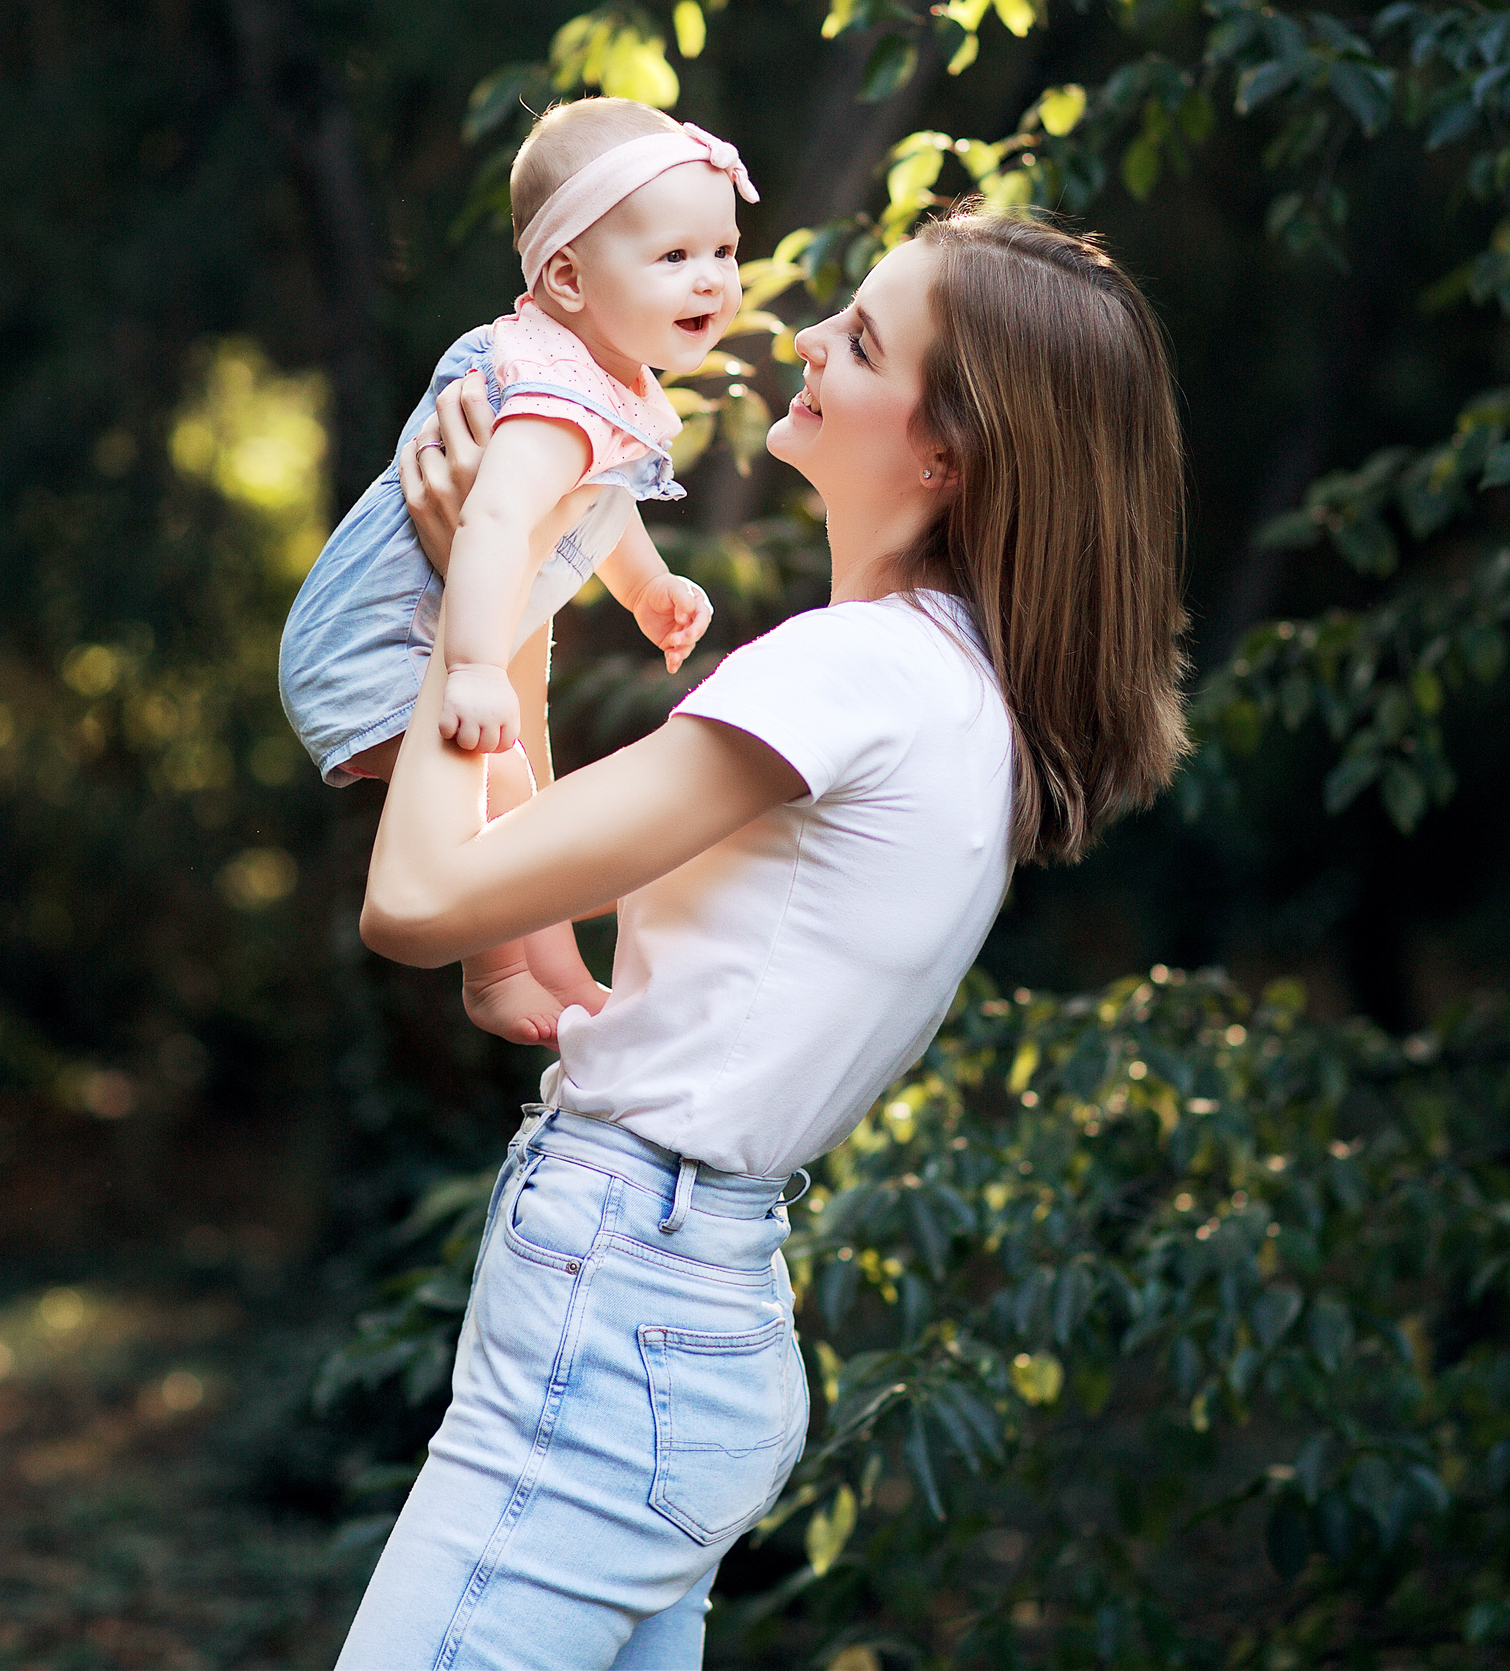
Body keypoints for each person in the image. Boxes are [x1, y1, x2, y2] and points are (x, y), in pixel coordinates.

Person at [335, 205, 1191, 1671]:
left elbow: (420, 902)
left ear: (948, 453)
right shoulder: (949, 692)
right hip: (694, 1308)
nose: (800, 337)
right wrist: (510, 585)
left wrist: (468, 598)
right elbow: (522, 883)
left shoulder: (848, 673)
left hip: (624, 1311)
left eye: (860, 339)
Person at [280, 98, 746, 1048]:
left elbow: (595, 507)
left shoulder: (600, 375)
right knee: (511, 802)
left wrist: (647, 589)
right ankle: (495, 974)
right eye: (674, 258)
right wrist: (478, 669)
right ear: (568, 278)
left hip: (446, 631)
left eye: (724, 253)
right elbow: (492, 518)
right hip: (380, 644)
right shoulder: (547, 394)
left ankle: (563, 971)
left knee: (523, 793)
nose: (711, 280)